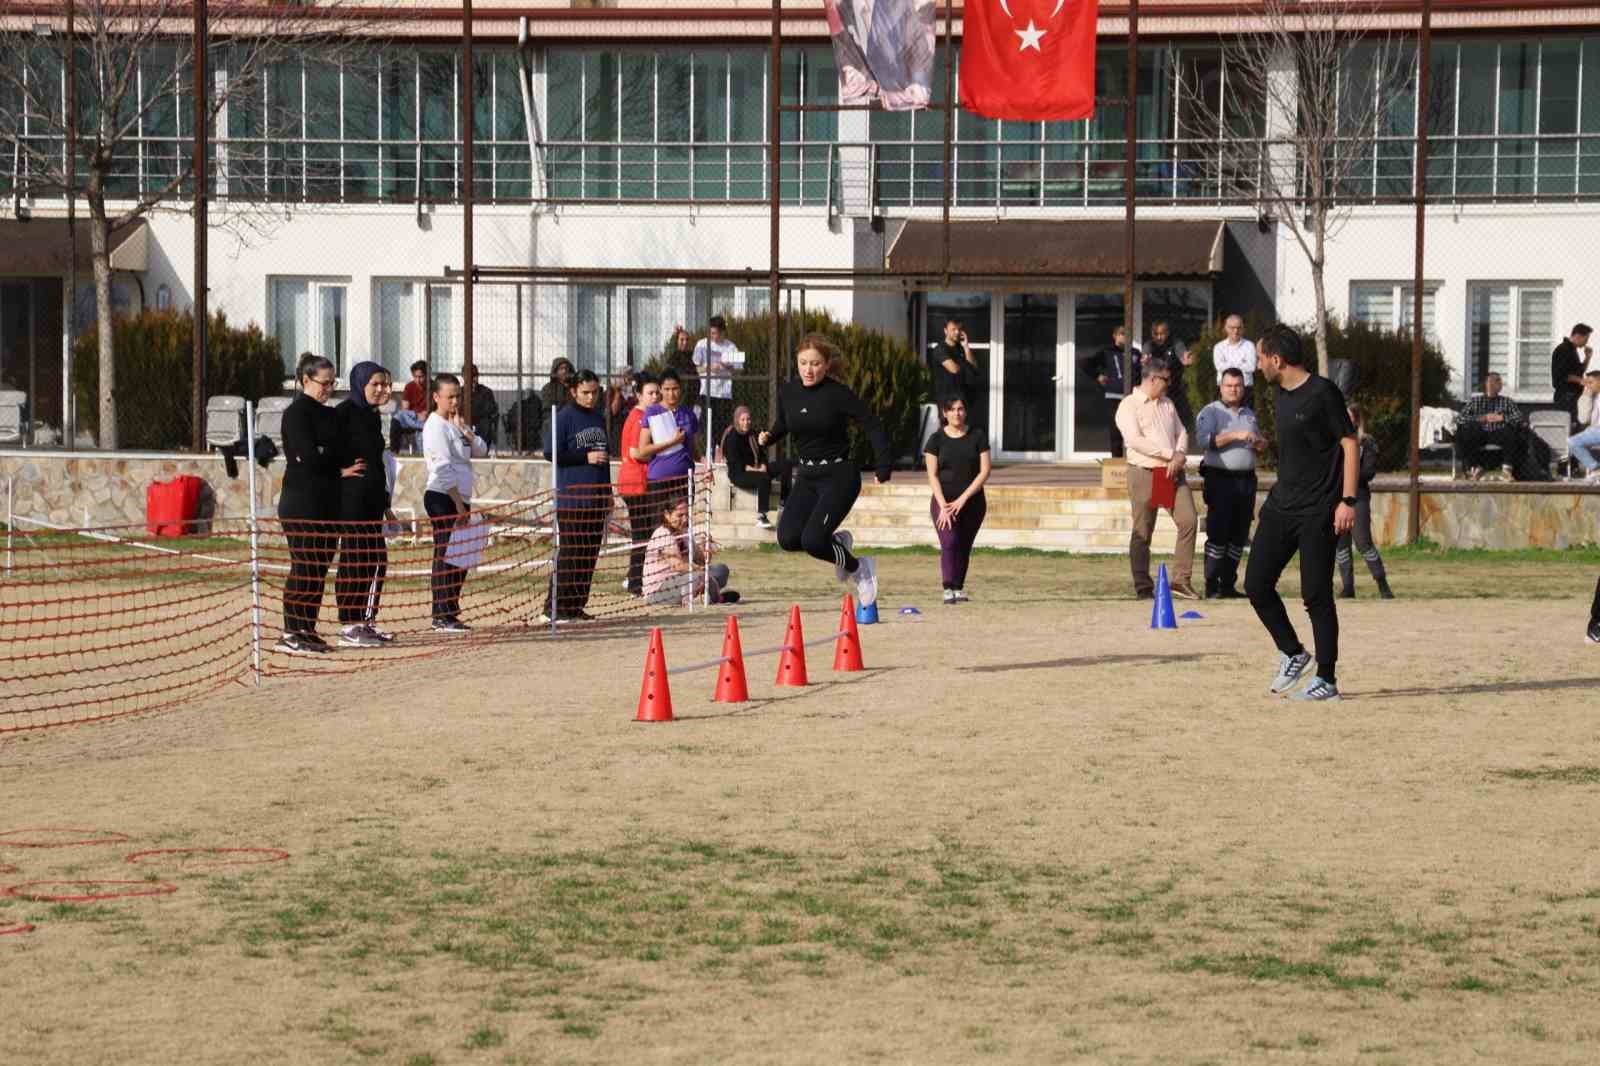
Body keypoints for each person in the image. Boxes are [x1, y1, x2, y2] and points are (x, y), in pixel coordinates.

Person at [1244, 324, 1359, 703]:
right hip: (1281, 506)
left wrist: (1348, 500)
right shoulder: (1278, 393)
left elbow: (1349, 443)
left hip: (1319, 510)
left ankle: (1326, 680)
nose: (1257, 365)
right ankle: (1293, 652)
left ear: (1276, 359)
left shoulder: (1323, 393)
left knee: (1316, 594)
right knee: (1256, 584)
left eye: (1260, 357)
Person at [757, 332, 892, 606]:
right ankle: (839, 544)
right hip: (807, 476)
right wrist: (769, 437)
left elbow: (872, 423)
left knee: (815, 541)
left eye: (816, 364)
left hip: (839, 476)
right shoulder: (789, 391)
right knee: (788, 538)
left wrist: (883, 463)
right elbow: (785, 422)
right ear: (796, 362)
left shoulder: (837, 394)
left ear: (827, 364)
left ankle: (860, 569)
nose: (809, 369)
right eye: (804, 363)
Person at [276, 353, 362, 655]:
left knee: (319, 568)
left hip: (328, 502)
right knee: (304, 566)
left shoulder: (329, 415)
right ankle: (291, 631)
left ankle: (307, 629)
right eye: (323, 383)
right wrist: (336, 469)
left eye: (332, 382)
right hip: (302, 502)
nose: (328, 388)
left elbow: (339, 451)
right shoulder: (296, 414)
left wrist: (332, 460)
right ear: (304, 381)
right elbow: (307, 457)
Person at [1115, 354, 1200, 601]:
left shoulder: (1167, 404)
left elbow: (1182, 431)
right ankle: (1143, 586)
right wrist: (1168, 454)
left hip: (1172, 473)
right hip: (1143, 472)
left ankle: (1180, 580)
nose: (1168, 384)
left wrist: (1180, 454)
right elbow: (1134, 440)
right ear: (1153, 379)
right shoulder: (1128, 405)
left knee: (1188, 521)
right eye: (1166, 380)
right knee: (1143, 530)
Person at [333, 362, 395, 648]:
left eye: (384, 384)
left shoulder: (371, 417)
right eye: (375, 384)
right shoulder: (343, 414)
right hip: (351, 500)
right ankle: (349, 623)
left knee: (375, 560)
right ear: (360, 385)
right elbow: (319, 451)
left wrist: (385, 504)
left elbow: (377, 464)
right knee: (355, 559)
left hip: (372, 501)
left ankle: (366, 621)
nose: (382, 389)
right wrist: (339, 471)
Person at [543, 369, 612, 624]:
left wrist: (608, 493)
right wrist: (585, 457)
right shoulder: (564, 417)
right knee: (571, 553)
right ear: (573, 391)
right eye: (585, 392)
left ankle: (576, 605)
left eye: (595, 392)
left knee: (589, 554)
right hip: (572, 499)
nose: (590, 397)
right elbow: (551, 452)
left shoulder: (598, 417)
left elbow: (604, 459)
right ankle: (555, 607)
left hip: (596, 498)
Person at [423, 372, 488, 634]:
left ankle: (451, 611)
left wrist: (465, 430)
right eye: (449, 397)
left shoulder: (455, 425)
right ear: (436, 397)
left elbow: (482, 450)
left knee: (461, 556)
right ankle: (440, 614)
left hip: (461, 498)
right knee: (445, 555)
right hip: (443, 497)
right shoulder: (434, 426)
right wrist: (458, 506)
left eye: (457, 396)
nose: (454, 402)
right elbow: (442, 467)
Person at [1194, 367, 1264, 599]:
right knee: (1218, 533)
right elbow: (1204, 442)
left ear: (1243, 388)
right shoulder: (1210, 412)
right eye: (1229, 385)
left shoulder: (1249, 414)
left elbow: (1258, 444)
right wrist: (1236, 436)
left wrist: (1260, 443)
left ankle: (1228, 585)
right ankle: (1212, 585)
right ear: (1220, 387)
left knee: (1239, 534)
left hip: (1246, 481)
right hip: (1220, 478)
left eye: (1238, 385)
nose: (1234, 390)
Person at [923, 395, 991, 604]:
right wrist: (943, 505)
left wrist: (964, 499)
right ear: (945, 413)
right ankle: (947, 587)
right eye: (952, 409)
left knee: (964, 545)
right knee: (950, 542)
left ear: (965, 411)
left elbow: (985, 471)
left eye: (960, 409)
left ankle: (958, 588)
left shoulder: (977, 436)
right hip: (944, 502)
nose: (956, 413)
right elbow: (932, 475)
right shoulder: (936, 440)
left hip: (973, 502)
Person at [1337, 402, 1393, 600]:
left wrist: (1348, 475)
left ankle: (1382, 583)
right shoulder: (1333, 441)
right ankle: (1347, 587)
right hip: (1336, 498)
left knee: (1363, 542)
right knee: (1340, 544)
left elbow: (1368, 472)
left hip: (1358, 497)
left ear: (1356, 419)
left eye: (1349, 416)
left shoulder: (1366, 442)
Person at [643, 498, 738, 607]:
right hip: (659, 590)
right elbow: (678, 566)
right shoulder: (662, 534)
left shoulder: (685, 533)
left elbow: (702, 560)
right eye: (680, 515)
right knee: (697, 577)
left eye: (687, 515)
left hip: (686, 578)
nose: (684, 519)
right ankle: (713, 597)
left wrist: (706, 545)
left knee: (721, 570)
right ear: (667, 515)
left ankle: (704, 592)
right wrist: (700, 570)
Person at [636, 368, 701, 521]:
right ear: (660, 389)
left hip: (684, 478)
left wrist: (706, 462)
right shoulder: (652, 412)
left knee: (683, 523)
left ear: (681, 388)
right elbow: (643, 449)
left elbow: (696, 449)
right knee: (659, 526)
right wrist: (672, 442)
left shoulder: (688, 414)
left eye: (675, 389)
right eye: (666, 389)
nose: (671, 394)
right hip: (659, 479)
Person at [618, 374, 661, 596]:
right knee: (642, 534)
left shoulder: (647, 416)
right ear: (639, 395)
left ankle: (633, 578)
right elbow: (636, 452)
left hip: (638, 482)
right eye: (650, 393)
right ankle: (636, 582)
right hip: (635, 483)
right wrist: (660, 452)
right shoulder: (638, 418)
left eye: (657, 393)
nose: (655, 397)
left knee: (644, 533)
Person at [722, 404, 793, 530]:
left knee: (786, 465)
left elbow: (761, 455)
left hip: (757, 468)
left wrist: (764, 465)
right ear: (737, 420)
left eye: (748, 419)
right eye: (743, 419)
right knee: (763, 478)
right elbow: (737, 465)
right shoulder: (732, 436)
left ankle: (784, 503)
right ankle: (762, 516)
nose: (746, 422)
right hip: (739, 474)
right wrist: (758, 469)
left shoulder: (752, 434)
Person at [1454, 373, 1531, 480]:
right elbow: (1460, 418)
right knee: (1466, 431)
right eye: (1497, 381)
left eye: (1499, 381)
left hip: (1499, 432)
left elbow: (1519, 418)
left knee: (1511, 431)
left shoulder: (1507, 401)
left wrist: (1502, 418)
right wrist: (1481, 418)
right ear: (1487, 384)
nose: (1500, 384)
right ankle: (1476, 468)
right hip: (1480, 432)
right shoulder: (1475, 401)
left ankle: (1507, 470)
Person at [1078, 325, 1135, 457]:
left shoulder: (1135, 353)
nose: (1125, 336)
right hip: (1114, 396)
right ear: (1114, 336)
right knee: (1116, 430)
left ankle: (1133, 461)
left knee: (1133, 430)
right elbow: (1085, 363)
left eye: (1128, 334)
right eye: (1122, 333)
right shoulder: (1107, 352)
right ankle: (1116, 462)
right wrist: (1097, 376)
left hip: (1133, 397)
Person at [693, 315, 743, 439]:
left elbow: (740, 370)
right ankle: (706, 453)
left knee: (721, 429)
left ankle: (720, 452)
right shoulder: (701, 345)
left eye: (715, 333)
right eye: (710, 333)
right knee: (704, 428)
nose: (712, 336)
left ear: (722, 332)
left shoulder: (731, 347)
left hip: (724, 394)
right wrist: (709, 368)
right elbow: (695, 368)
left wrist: (727, 367)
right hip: (706, 392)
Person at [1143, 320, 1196, 429]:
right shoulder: (1149, 345)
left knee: (1172, 419)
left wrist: (1186, 358)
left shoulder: (1176, 343)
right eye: (1156, 334)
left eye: (1162, 334)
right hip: (1154, 388)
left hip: (1173, 388)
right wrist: (1145, 359)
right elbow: (1145, 356)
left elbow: (1183, 355)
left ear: (1167, 332)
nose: (1159, 337)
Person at [927, 318, 980, 412]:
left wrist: (966, 347)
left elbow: (974, 367)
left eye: (959, 329)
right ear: (945, 331)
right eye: (953, 329)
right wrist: (967, 368)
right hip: (947, 402)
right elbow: (954, 369)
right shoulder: (940, 349)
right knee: (947, 427)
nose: (957, 332)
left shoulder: (961, 348)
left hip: (963, 399)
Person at [1552, 323, 1594, 428]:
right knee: (1568, 426)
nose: (1586, 342)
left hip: (1572, 395)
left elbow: (1579, 371)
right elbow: (1562, 374)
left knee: (1575, 425)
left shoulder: (1572, 350)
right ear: (1578, 336)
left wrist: (1587, 357)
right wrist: (1582, 381)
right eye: (1586, 338)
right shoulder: (1563, 349)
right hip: (1566, 396)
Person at [1211, 314, 1257, 404]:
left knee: (1245, 417)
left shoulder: (1249, 345)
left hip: (1245, 390)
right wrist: (1241, 362)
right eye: (1232, 328)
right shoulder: (1219, 347)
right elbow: (1219, 367)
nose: (1236, 331)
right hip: (1224, 390)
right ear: (1226, 328)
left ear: (1243, 328)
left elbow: (1251, 367)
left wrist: (1228, 363)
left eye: (1239, 328)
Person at [392, 359, 430, 454]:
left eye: (421, 377)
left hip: (427, 418)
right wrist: (417, 415)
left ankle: (421, 427)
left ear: (426, 375)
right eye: (415, 377)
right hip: (413, 418)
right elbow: (405, 409)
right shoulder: (409, 386)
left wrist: (426, 413)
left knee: (423, 428)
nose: (418, 380)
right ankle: (393, 451)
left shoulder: (433, 386)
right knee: (398, 417)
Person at [1568, 370, 1600, 479]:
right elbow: (1583, 419)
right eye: (1587, 382)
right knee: (1572, 442)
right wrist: (1586, 396)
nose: (1588, 385)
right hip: (1594, 431)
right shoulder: (1591, 396)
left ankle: (1595, 470)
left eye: (1591, 382)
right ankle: (1595, 470)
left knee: (1573, 441)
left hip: (1597, 431)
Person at [463, 364, 499, 450]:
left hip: (480, 426)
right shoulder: (459, 392)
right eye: (469, 376)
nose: (473, 379)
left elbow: (489, 410)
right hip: (463, 424)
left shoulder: (486, 392)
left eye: (475, 376)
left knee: (485, 422)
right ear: (463, 377)